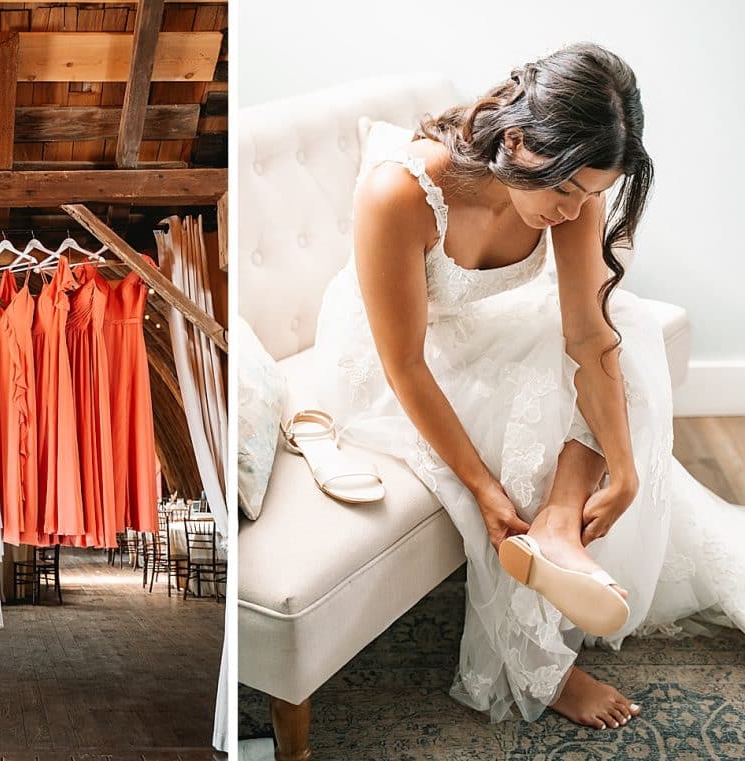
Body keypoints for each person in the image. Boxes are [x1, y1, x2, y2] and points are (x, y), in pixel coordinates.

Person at [311, 41, 745, 730]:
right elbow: (406, 365)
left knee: (618, 327)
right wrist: (482, 486)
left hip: (488, 325)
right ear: (517, 139)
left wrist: (625, 466)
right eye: (566, 192)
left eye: (593, 197)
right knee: (520, 429)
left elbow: (588, 336)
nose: (575, 213)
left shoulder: (575, 198)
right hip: (397, 357)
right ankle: (544, 661)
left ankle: (556, 527)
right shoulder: (398, 193)